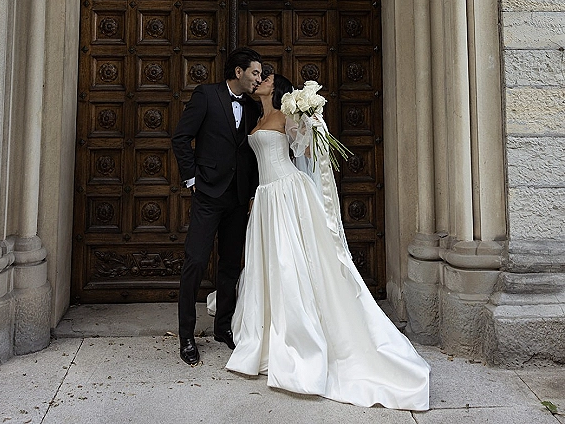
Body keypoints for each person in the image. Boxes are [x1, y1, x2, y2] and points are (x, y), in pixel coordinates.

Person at [226, 72, 430, 410]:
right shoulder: (258, 116)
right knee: (272, 263)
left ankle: (302, 339)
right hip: (266, 198)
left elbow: (304, 150)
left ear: (277, 89)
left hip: (288, 193)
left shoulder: (287, 114)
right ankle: (267, 332)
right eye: (258, 76)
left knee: (290, 263)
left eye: (266, 78)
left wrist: (312, 119)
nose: (260, 80)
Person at [171, 47, 263, 365]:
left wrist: (251, 191)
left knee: (229, 266)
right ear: (238, 72)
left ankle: (224, 328)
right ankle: (186, 337)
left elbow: (251, 151)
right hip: (208, 194)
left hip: (238, 198)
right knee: (195, 263)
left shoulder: (253, 106)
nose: (258, 78)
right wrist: (192, 180)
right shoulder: (206, 95)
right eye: (255, 72)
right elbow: (181, 137)